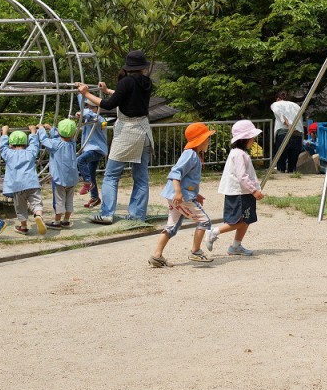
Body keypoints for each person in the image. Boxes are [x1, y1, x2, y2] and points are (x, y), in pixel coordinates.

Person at [77, 50, 153, 224]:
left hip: (128, 133)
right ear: (142, 67)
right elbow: (126, 98)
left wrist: (86, 94)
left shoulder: (126, 82)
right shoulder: (146, 82)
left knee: (111, 176)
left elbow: (109, 105)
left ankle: (106, 214)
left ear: (128, 67)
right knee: (141, 178)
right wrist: (108, 90)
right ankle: (137, 215)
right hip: (145, 132)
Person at [148, 123, 215, 267]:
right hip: (180, 197)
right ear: (200, 140)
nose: (208, 141)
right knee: (204, 221)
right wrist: (178, 192)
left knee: (171, 227)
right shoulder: (190, 154)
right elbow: (175, 173)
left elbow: (187, 180)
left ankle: (156, 255)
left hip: (179, 197)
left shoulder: (193, 155)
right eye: (207, 138)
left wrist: (196, 195)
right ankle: (195, 252)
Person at [207, 119, 265, 256]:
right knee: (238, 221)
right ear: (245, 139)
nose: (253, 140)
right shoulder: (239, 154)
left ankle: (236, 246)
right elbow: (242, 176)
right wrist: (254, 190)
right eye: (252, 137)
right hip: (240, 193)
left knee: (247, 219)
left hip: (243, 192)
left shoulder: (238, 153)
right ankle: (214, 232)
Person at [0, 125, 45, 235]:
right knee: (36, 203)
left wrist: (4, 133)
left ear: (10, 144)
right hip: (32, 183)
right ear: (26, 144)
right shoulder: (30, 153)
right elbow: (35, 145)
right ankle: (38, 215)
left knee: (21, 207)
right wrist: (33, 132)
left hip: (17, 186)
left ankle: (23, 226)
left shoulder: (8, 153)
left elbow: (2, 147)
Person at [39, 119, 80, 227]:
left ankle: (57, 222)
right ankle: (66, 220)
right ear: (74, 133)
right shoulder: (72, 142)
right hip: (72, 179)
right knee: (69, 200)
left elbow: (44, 140)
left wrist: (41, 129)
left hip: (60, 179)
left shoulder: (55, 144)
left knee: (59, 201)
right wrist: (51, 129)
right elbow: (62, 135)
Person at [77, 107, 108, 209]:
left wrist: (81, 113)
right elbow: (85, 111)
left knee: (80, 160)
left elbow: (89, 114)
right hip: (89, 149)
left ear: (97, 108)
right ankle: (95, 198)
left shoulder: (99, 119)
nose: (88, 109)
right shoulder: (88, 118)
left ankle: (87, 182)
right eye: (87, 107)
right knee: (91, 173)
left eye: (91, 107)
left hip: (97, 150)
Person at [270, 91, 304, 173]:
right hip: (298, 133)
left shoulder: (276, 104)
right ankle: (292, 179)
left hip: (283, 133)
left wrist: (287, 123)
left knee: (281, 161)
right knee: (293, 164)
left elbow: (278, 112)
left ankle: (281, 178)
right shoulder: (296, 105)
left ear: (278, 99)